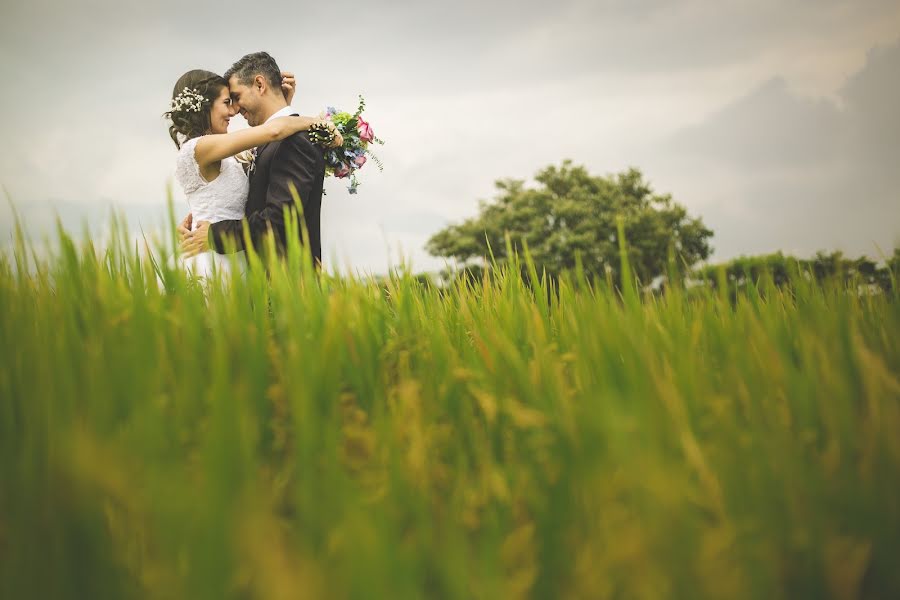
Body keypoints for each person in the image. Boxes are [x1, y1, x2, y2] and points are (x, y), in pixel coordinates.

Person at [166, 65, 340, 278]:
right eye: (227, 102)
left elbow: (270, 162)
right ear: (205, 106)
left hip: (236, 257)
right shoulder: (198, 148)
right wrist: (316, 122)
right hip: (213, 260)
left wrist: (283, 105)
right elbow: (274, 130)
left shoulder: (224, 154)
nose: (233, 111)